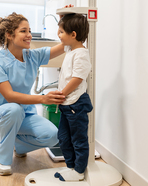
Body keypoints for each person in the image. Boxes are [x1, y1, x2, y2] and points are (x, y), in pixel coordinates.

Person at [0, 12, 66, 176]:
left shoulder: (33, 56)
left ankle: (17, 145)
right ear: (9, 35)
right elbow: (10, 96)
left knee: (53, 135)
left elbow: (64, 45)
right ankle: (3, 161)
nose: (29, 35)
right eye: (23, 31)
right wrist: (43, 98)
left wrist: (64, 20)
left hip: (25, 115)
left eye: (30, 31)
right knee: (13, 108)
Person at [54, 13, 93, 182]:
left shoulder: (81, 54)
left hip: (75, 104)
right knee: (63, 138)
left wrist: (62, 93)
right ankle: (70, 167)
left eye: (61, 31)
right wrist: (64, 16)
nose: (58, 34)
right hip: (66, 104)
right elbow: (66, 39)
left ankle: (78, 171)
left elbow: (78, 78)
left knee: (78, 139)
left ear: (73, 35)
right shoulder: (71, 49)